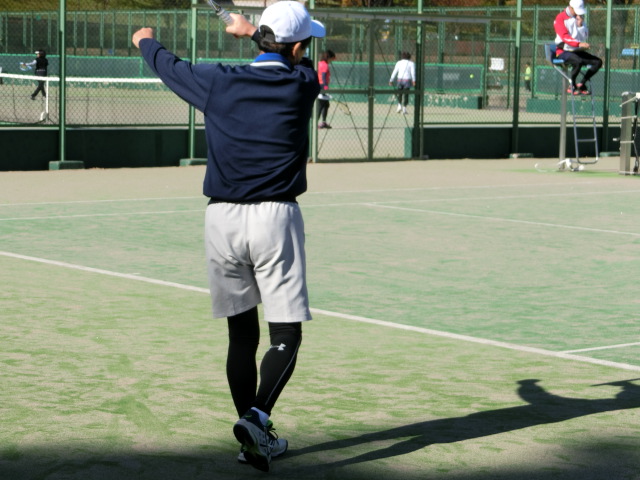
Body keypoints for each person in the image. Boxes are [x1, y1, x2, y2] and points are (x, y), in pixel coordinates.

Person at [132, 1, 325, 472]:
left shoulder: (216, 82)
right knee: (286, 334)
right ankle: (257, 418)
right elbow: (287, 58)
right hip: (275, 218)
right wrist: (248, 31)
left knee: (241, 335)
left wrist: (145, 41)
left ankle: (251, 441)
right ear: (298, 48)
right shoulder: (303, 83)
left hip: (220, 220)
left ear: (263, 40)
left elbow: (168, 66)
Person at [554, 0, 602, 95]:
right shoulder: (560, 18)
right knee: (578, 61)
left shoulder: (578, 17)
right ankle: (572, 85)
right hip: (563, 51)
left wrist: (580, 26)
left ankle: (581, 84)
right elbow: (564, 37)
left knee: (598, 62)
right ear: (570, 7)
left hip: (576, 51)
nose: (578, 13)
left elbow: (584, 37)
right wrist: (579, 44)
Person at [316, 49, 336, 129]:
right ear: (328, 57)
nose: (332, 61)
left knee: (326, 105)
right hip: (322, 86)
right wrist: (325, 86)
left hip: (320, 85)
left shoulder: (319, 63)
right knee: (321, 105)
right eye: (332, 59)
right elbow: (323, 76)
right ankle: (315, 123)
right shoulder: (324, 65)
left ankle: (323, 122)